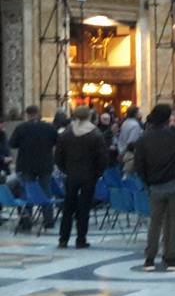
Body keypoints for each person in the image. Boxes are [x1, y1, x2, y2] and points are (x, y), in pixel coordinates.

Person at [134, 105, 175, 271]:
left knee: (155, 222)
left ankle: (150, 258)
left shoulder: (144, 138)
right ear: (167, 118)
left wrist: (148, 181)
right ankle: (172, 257)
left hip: (156, 185)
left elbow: (139, 165)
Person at [54, 106, 108, 249]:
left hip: (71, 175)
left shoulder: (67, 133)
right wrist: (97, 174)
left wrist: (65, 169)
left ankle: (63, 239)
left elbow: (58, 156)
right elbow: (102, 158)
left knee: (68, 207)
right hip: (89, 176)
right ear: (89, 116)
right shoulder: (95, 134)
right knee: (84, 208)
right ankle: (81, 239)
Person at [9, 105, 59, 229]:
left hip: (26, 165)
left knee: (26, 192)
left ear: (27, 114)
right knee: (46, 192)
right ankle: (48, 220)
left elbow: (12, 144)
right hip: (45, 165)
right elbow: (57, 142)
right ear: (38, 113)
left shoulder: (21, 128)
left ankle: (26, 221)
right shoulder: (49, 127)